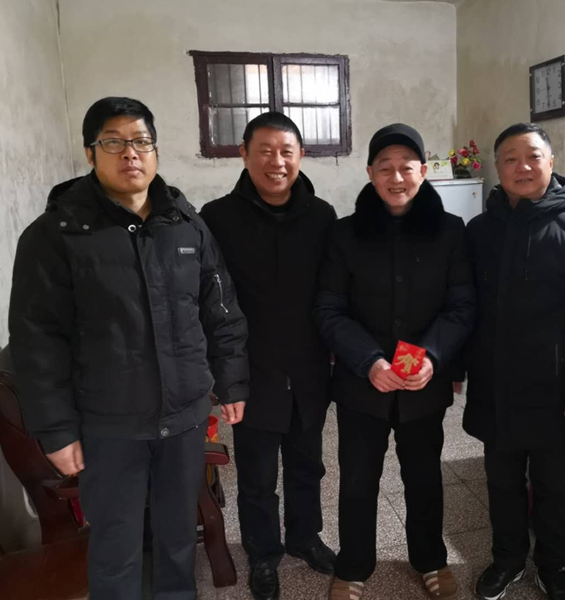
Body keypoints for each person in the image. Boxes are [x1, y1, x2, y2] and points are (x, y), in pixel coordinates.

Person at [8, 97, 250, 600]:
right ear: (90, 153)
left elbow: (220, 307)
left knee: (177, 536)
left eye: (141, 141)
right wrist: (56, 430)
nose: (130, 153)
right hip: (108, 424)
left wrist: (232, 380)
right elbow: (37, 339)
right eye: (113, 142)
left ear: (155, 150)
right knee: (115, 544)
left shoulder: (185, 224)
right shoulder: (56, 235)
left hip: (183, 417)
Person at [314, 124, 475, 600]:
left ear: (423, 171)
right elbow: (328, 308)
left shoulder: (451, 231)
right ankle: (353, 566)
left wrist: (433, 357)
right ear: (370, 173)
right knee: (357, 479)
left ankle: (430, 559)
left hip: (424, 382)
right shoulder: (345, 234)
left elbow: (462, 306)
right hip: (361, 383)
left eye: (406, 167)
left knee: (423, 476)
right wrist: (368, 361)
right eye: (385, 167)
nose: (396, 177)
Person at [464, 123, 565, 600]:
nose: (522, 167)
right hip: (496, 388)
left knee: (555, 487)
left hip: (557, 393)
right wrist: (456, 369)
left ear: (551, 162)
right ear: (498, 168)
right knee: (502, 484)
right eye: (510, 159)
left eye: (532, 156)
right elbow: (464, 308)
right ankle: (507, 561)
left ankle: (554, 568)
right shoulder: (479, 232)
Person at [199, 112, 337, 600]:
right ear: (243, 154)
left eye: (286, 151)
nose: (276, 162)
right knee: (257, 475)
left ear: (301, 156)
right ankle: (262, 554)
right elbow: (209, 301)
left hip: (308, 369)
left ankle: (305, 537)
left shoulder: (321, 217)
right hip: (251, 371)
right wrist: (222, 376)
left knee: (308, 465)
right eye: (264, 150)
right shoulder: (217, 218)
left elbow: (333, 294)